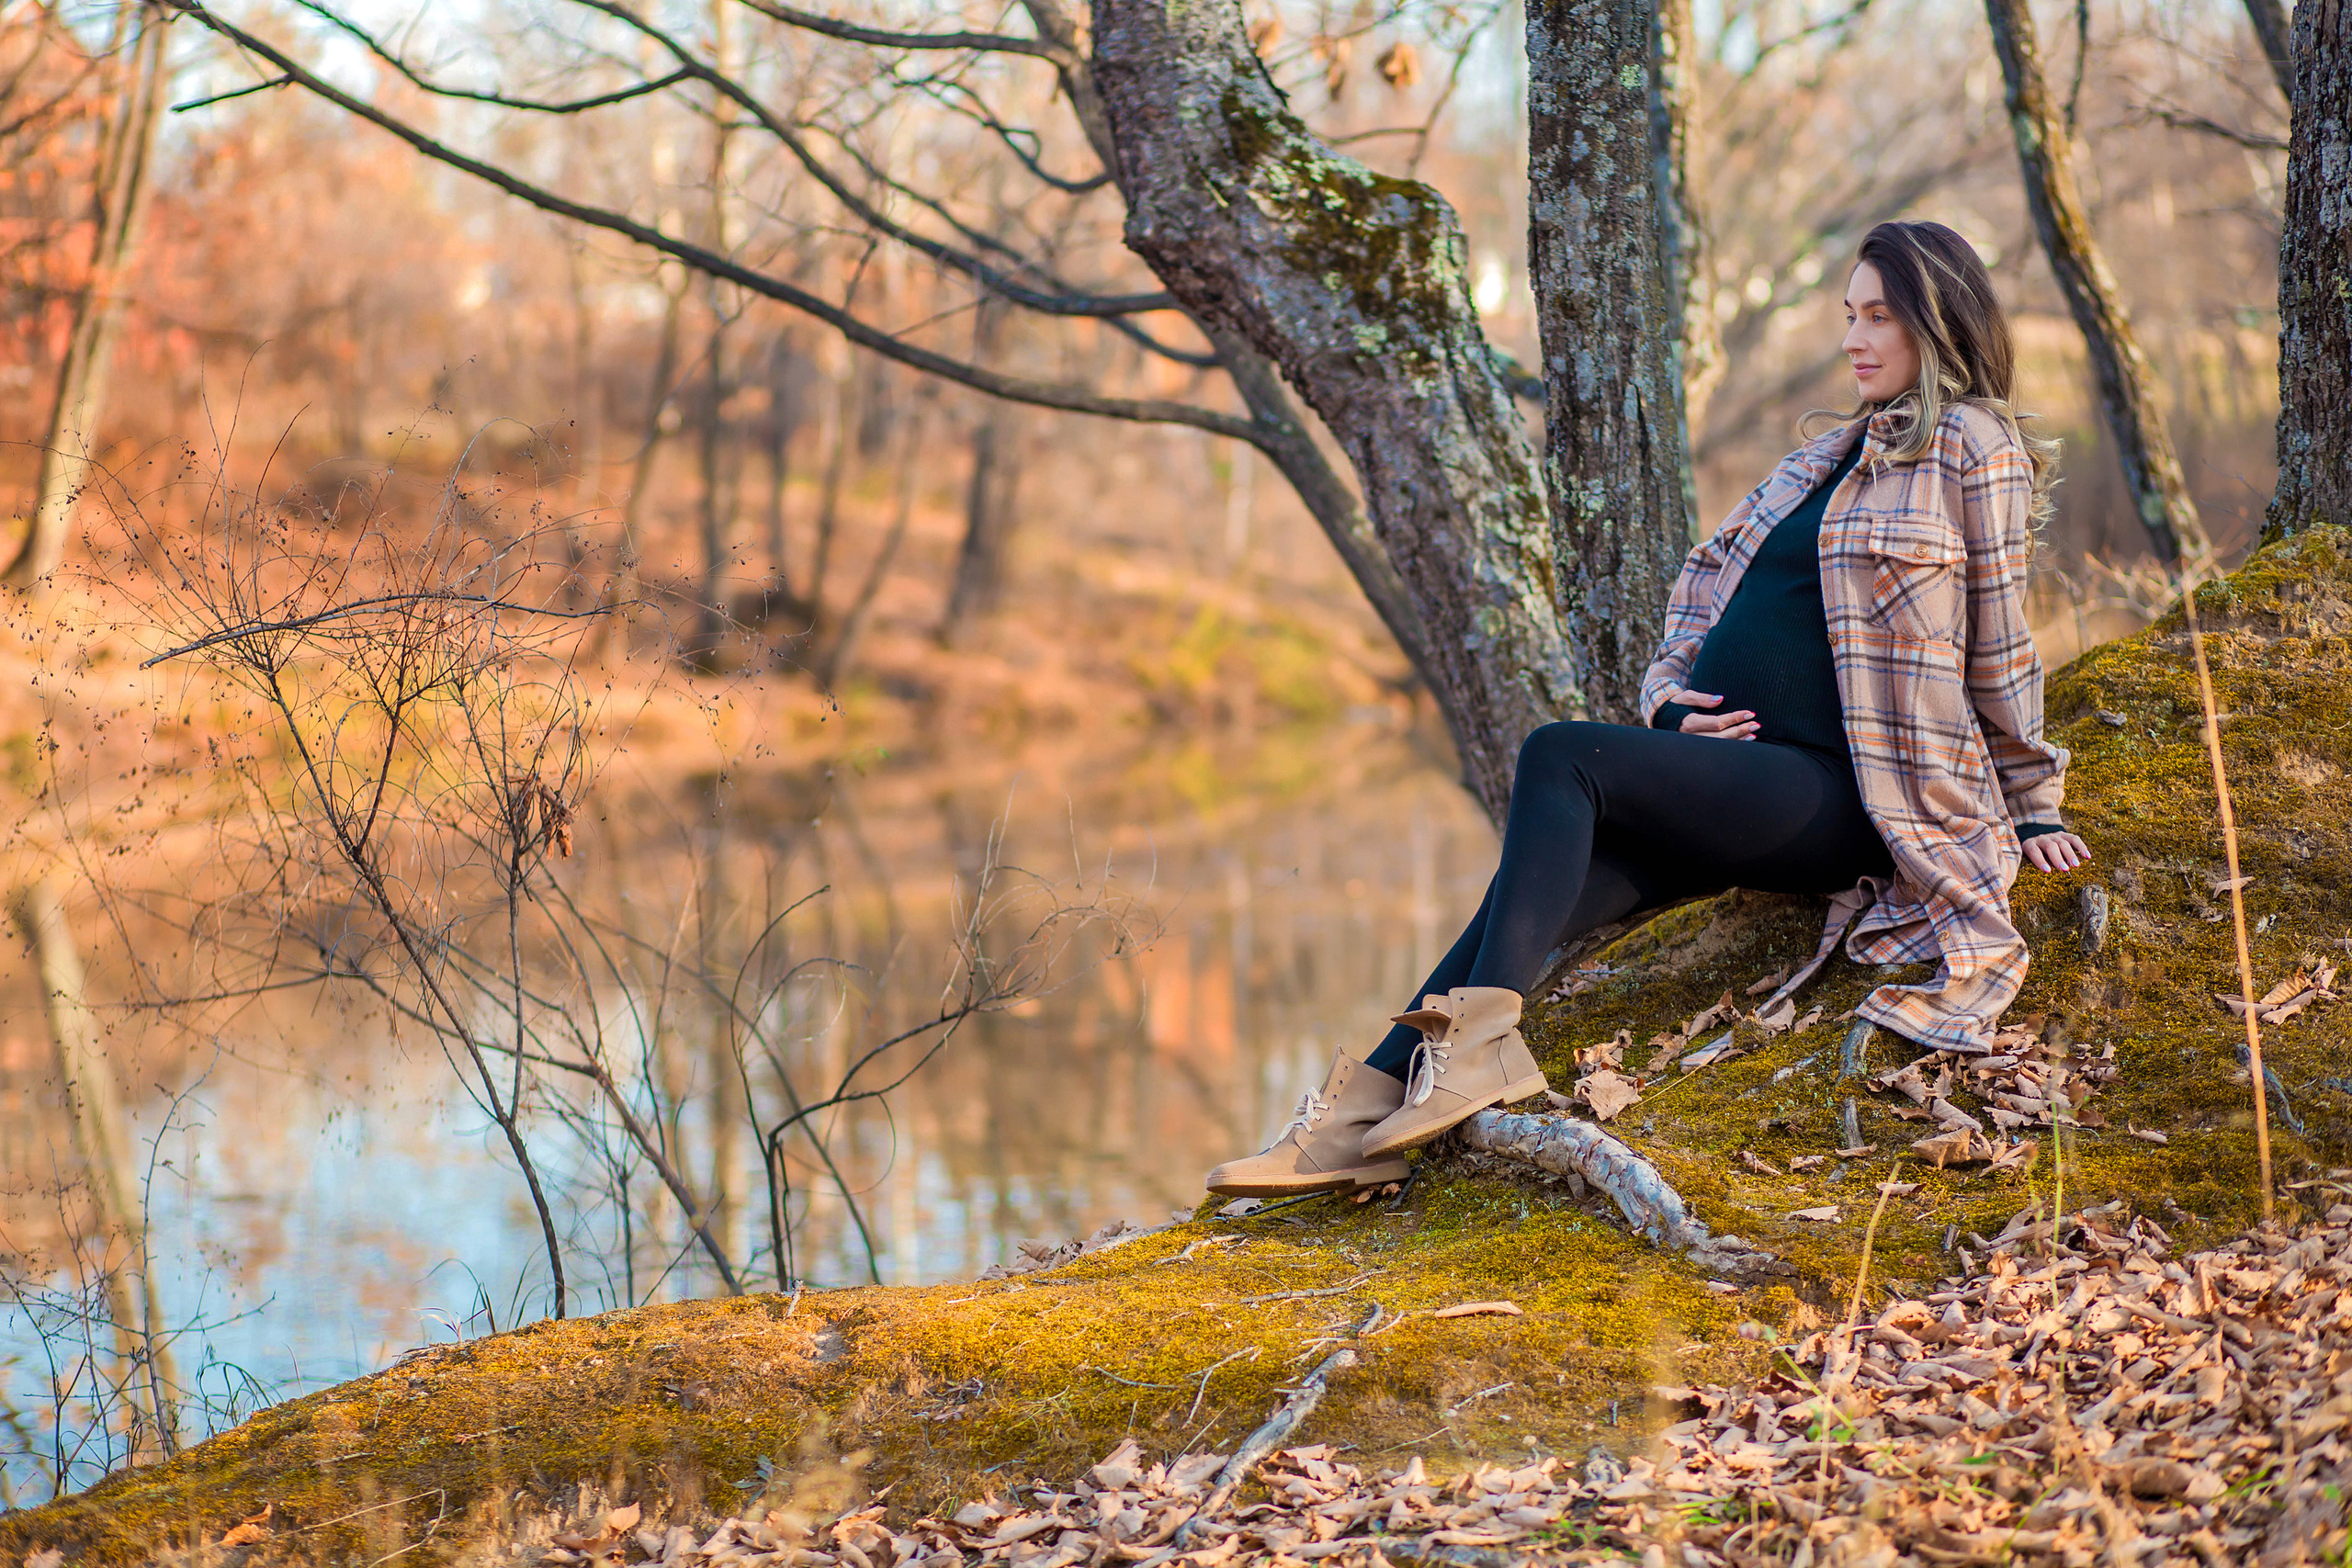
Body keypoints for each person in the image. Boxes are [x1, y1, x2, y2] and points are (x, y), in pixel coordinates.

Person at [1205, 220, 2094, 1199]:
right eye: (1848, 315)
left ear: (1939, 322)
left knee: (1564, 756)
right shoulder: (1822, 458)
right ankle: (1360, 1111)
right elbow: (1698, 601)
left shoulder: (1971, 445)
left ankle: (1479, 1053)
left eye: (1878, 316)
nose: (1853, 338)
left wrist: (2033, 800)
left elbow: (2000, 641)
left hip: (1848, 795)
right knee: (1538, 890)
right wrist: (1670, 713)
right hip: (1748, 784)